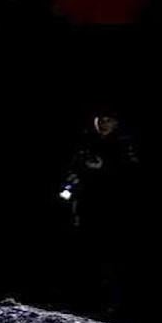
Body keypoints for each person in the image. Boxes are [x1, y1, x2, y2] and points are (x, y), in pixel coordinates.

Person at [62, 109, 140, 308]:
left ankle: (115, 300)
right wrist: (69, 188)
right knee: (86, 248)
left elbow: (131, 173)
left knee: (113, 252)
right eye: (100, 119)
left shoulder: (124, 144)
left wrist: (104, 168)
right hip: (87, 204)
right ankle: (87, 296)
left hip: (114, 207)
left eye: (108, 120)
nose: (103, 123)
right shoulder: (87, 142)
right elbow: (74, 169)